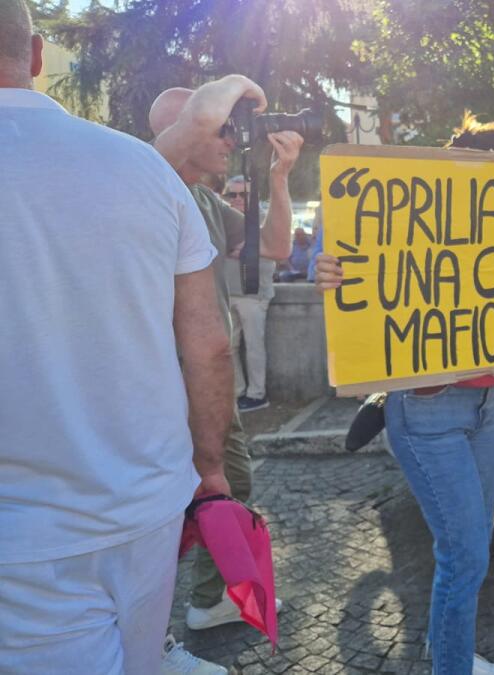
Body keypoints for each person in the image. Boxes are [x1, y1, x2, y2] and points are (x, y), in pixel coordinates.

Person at [0, 2, 232, 672]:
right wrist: (208, 467)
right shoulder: (145, 170)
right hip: (148, 503)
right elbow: (208, 345)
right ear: (38, 56)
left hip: (26, 534)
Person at [314, 112, 494, 675]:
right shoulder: (419, 224)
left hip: (486, 409)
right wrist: (335, 273)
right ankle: (453, 666)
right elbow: (372, 269)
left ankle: (452, 652)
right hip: (427, 411)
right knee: (464, 556)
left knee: (471, 549)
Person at [149, 78, 301, 637]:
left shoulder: (207, 201)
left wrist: (280, 178)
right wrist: (233, 87)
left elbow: (278, 247)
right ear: (180, 129)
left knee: (229, 488)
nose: (231, 137)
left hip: (210, 384)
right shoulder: (146, 186)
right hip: (163, 386)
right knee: (172, 509)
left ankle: (210, 599)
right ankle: (158, 632)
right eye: (220, 126)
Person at [221, 175, 276, 412]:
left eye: (243, 194)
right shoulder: (222, 220)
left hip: (254, 295)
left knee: (254, 346)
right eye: (232, 194)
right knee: (229, 347)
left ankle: (257, 394)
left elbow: (274, 253)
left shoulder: (263, 220)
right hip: (226, 294)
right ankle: (237, 391)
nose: (237, 199)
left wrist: (243, 251)